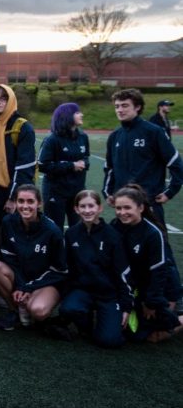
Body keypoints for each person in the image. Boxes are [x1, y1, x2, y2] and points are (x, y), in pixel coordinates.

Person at [0, 185, 67, 332]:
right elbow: (10, 259)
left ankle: (31, 306)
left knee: (38, 311)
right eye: (21, 201)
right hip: (22, 278)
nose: (25, 206)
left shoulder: (52, 231)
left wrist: (29, 287)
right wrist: (20, 286)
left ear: (39, 204)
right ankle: (15, 310)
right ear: (15, 203)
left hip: (45, 282)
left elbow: (59, 270)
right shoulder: (8, 222)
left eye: (30, 201)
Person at [110, 184, 183, 343]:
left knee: (150, 337)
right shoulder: (115, 226)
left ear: (141, 207)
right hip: (134, 287)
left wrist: (151, 302)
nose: (122, 213)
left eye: (127, 208)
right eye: (118, 208)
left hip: (158, 288)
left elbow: (160, 271)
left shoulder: (152, 233)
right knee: (126, 331)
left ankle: (178, 315)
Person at [59, 190, 132, 348]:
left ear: (100, 208)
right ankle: (86, 327)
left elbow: (123, 273)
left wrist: (126, 306)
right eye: (82, 206)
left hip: (109, 295)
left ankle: (107, 321)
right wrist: (65, 294)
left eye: (91, 206)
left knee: (109, 341)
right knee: (68, 309)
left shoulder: (113, 236)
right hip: (84, 290)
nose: (87, 210)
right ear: (76, 209)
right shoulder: (71, 234)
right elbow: (69, 267)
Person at [103, 89, 183, 225]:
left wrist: (170, 192)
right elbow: (109, 168)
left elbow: (176, 163)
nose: (119, 110)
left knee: (157, 244)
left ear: (138, 107)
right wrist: (107, 192)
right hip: (123, 204)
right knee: (123, 243)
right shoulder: (115, 135)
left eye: (124, 105)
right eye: (117, 106)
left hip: (149, 201)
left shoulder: (153, 132)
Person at [0, 84, 36, 233]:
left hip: (10, 193)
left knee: (12, 239)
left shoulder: (22, 127)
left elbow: (24, 167)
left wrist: (13, 198)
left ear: (11, 101)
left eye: (4, 98)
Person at [39, 103, 89, 229]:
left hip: (77, 191)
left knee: (78, 229)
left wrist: (85, 163)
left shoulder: (83, 137)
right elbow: (42, 165)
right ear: (67, 116)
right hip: (55, 192)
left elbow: (86, 157)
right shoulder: (52, 139)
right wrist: (71, 166)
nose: (81, 114)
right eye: (77, 113)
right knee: (54, 230)